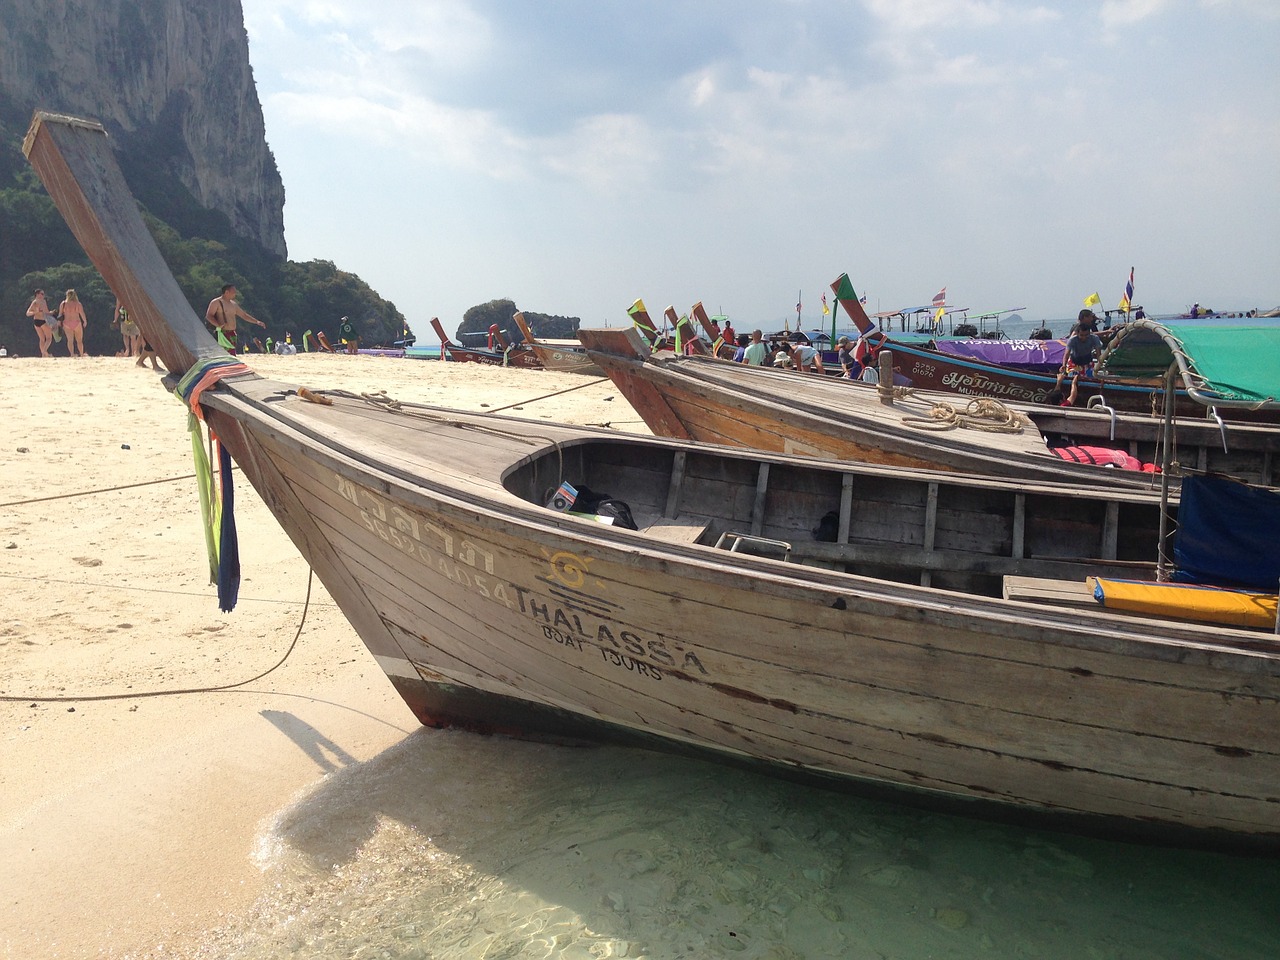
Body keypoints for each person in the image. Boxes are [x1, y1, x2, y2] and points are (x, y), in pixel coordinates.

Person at [1055, 319, 1104, 406]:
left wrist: (1100, 365)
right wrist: (1063, 365)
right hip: (1074, 363)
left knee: (1091, 380)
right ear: (1077, 333)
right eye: (1081, 335)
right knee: (1072, 380)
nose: (1084, 337)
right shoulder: (1072, 340)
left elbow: (1098, 354)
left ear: (1090, 333)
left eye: (1086, 335)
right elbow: (1066, 354)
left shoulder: (1094, 338)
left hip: (1087, 362)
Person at [205, 283, 265, 355]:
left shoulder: (233, 304)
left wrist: (257, 322)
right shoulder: (216, 302)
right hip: (222, 333)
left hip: (232, 333)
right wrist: (218, 325)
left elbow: (244, 315)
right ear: (226, 292)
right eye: (233, 292)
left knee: (232, 354)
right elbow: (209, 316)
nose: (235, 294)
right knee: (225, 355)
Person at [58, 289, 88, 357]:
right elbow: (82, 313)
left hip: (67, 323)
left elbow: (60, 314)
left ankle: (72, 354)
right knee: (79, 341)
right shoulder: (78, 303)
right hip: (77, 322)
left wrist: (59, 322)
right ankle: (81, 354)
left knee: (70, 340)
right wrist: (85, 321)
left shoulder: (63, 304)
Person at [26, 289, 55, 357]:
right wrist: (51, 313)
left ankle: (44, 355)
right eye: (42, 294)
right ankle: (44, 352)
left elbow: (27, 313)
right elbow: (47, 312)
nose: (43, 295)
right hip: (43, 321)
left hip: (36, 321)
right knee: (49, 338)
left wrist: (35, 312)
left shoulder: (34, 302)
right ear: (37, 294)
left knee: (42, 339)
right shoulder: (43, 301)